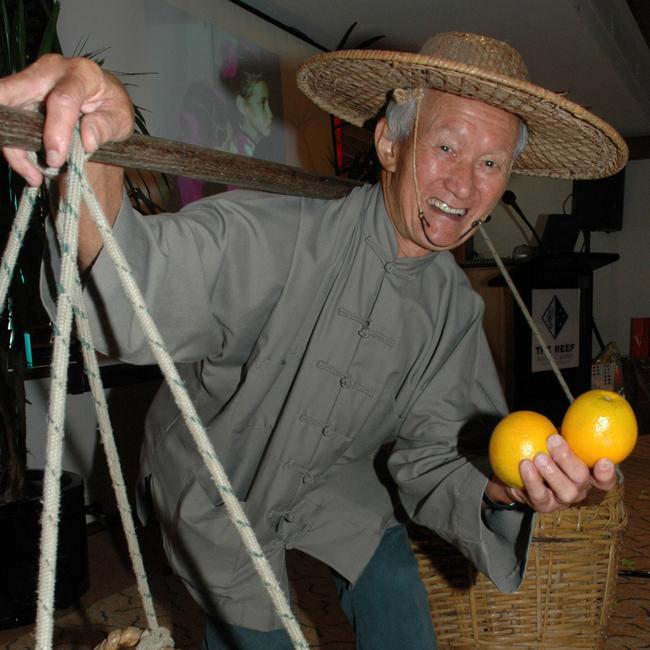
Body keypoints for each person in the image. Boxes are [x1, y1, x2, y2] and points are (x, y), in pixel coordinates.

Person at [0, 31, 627, 649]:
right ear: (389, 143)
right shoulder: (277, 234)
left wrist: (504, 486)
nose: (464, 186)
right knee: (254, 630)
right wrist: (92, 141)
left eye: (490, 163)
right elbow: (138, 284)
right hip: (216, 471)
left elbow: (436, 454)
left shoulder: (452, 310)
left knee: (394, 587)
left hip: (332, 474)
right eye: (445, 146)